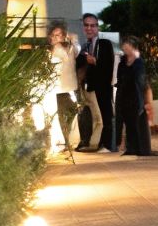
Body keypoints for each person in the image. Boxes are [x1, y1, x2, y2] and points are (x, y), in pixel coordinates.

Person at [76, 12, 117, 152]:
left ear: (97, 28)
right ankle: (97, 143)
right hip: (90, 86)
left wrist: (95, 62)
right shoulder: (85, 46)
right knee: (96, 116)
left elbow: (108, 65)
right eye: (86, 25)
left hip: (103, 85)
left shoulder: (104, 44)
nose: (89, 28)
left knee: (106, 115)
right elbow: (78, 63)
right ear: (83, 27)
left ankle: (107, 144)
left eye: (92, 26)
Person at [113, 37, 158, 156]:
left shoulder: (139, 62)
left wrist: (146, 99)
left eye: (127, 45)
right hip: (124, 94)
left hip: (135, 94)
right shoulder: (122, 61)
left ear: (133, 46)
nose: (125, 47)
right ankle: (130, 147)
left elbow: (142, 81)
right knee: (127, 121)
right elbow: (119, 78)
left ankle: (140, 147)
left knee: (136, 120)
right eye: (124, 45)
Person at [47, 22, 79, 151]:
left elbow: (77, 50)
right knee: (62, 114)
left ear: (64, 35)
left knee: (72, 111)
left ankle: (68, 140)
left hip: (71, 86)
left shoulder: (71, 48)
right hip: (58, 88)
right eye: (53, 35)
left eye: (58, 35)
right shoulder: (52, 50)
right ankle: (65, 141)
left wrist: (73, 40)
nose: (56, 38)